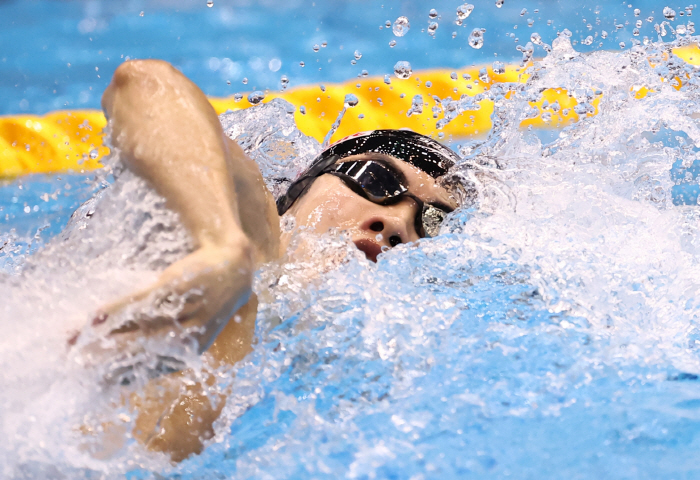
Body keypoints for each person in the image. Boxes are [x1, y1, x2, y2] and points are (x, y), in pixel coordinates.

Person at [72, 59, 464, 461]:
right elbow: (142, 83)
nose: (397, 222)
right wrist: (222, 248)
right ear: (301, 185)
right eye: (376, 180)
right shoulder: (247, 235)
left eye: (430, 223)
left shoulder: (337, 383)